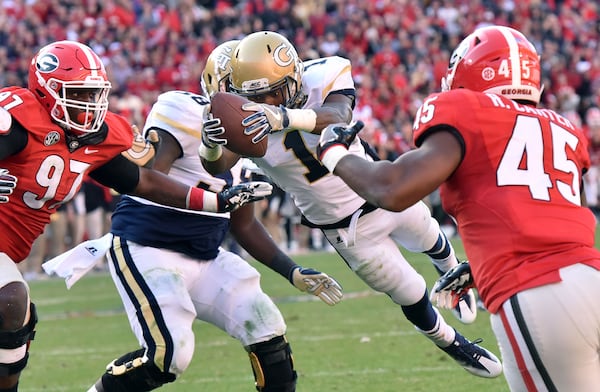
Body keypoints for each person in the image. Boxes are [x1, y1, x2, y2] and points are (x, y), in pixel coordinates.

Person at [201, 30, 502, 378]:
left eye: (279, 89)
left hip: (379, 188)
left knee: (430, 236)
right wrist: (209, 145)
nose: (273, 99)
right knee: (409, 292)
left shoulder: (323, 75)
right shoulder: (248, 124)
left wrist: (284, 118)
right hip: (345, 228)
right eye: (263, 95)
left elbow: (338, 114)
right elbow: (219, 164)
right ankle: (451, 342)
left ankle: (453, 273)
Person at [317, 25, 600, 391]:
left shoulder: (465, 107)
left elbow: (392, 190)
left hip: (537, 294)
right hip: (591, 276)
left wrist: (333, 153)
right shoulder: (564, 127)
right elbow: (548, 219)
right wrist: (482, 266)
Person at [0, 40, 270, 392]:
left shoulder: (96, 137)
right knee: (12, 299)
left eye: (94, 94)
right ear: (46, 90)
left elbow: (143, 181)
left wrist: (217, 201)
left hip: (8, 250)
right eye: (79, 94)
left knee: (12, 329)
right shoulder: (18, 118)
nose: (89, 104)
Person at [86, 43, 342, 392]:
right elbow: (149, 178)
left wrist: (292, 271)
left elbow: (245, 224)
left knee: (266, 326)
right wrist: (212, 194)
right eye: (240, 88)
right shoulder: (182, 109)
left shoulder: (255, 139)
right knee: (170, 355)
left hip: (206, 255)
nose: (256, 100)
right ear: (219, 87)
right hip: (148, 248)